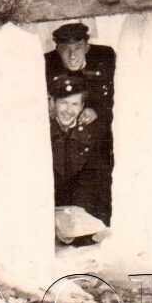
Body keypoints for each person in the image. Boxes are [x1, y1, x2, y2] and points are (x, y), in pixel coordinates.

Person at [44, 21, 116, 222]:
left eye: (77, 48)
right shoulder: (46, 64)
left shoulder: (105, 58)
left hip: (95, 143)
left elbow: (118, 96)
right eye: (65, 50)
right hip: (61, 141)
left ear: (87, 46)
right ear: (57, 49)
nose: (72, 55)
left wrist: (98, 111)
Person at [48, 75, 111, 240]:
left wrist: (80, 212)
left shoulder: (92, 133)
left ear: (82, 106)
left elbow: (93, 178)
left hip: (80, 210)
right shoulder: (43, 129)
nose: (68, 110)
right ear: (52, 103)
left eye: (75, 104)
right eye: (63, 103)